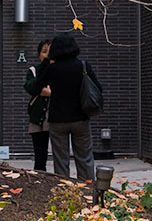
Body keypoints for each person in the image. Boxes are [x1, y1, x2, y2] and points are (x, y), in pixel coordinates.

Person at [35, 32, 98, 182]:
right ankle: (87, 190)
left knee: (61, 161)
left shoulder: (53, 69)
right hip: (80, 118)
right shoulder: (83, 66)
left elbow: (38, 85)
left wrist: (47, 61)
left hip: (58, 120)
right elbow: (97, 87)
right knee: (85, 158)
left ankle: (64, 191)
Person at [24, 39, 53, 171]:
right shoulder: (33, 70)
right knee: (39, 153)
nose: (47, 54)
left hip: (56, 115)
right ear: (38, 54)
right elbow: (29, 87)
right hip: (38, 116)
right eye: (44, 51)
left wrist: (50, 93)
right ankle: (40, 177)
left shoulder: (58, 69)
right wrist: (42, 90)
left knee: (59, 153)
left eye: (50, 51)